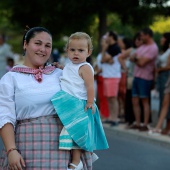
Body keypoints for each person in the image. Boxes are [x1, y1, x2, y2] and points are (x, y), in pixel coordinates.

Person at [0, 27, 94, 170]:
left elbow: (81, 94)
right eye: (37, 43)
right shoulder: (11, 78)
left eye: (47, 45)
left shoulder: (60, 73)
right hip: (26, 146)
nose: (42, 49)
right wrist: (11, 150)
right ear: (25, 44)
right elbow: (5, 116)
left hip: (62, 146)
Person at [51, 32, 109, 170]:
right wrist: (60, 67)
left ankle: (76, 161)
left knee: (76, 132)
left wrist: (90, 102)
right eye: (72, 50)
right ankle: (81, 156)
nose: (76, 53)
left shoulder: (85, 67)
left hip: (81, 104)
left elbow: (90, 86)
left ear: (88, 52)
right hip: (71, 102)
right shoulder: (70, 65)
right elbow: (70, 73)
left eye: (81, 50)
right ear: (67, 51)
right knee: (71, 130)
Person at [130, 27, 158, 131]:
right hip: (137, 76)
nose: (141, 37)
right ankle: (137, 122)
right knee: (135, 100)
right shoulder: (142, 46)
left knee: (144, 101)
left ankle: (145, 124)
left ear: (148, 35)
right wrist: (138, 59)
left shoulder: (153, 48)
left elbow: (142, 62)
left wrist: (137, 59)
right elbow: (131, 57)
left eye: (142, 35)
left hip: (145, 78)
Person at [101, 31, 122, 126]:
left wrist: (104, 50)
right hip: (107, 75)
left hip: (113, 76)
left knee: (113, 98)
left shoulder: (115, 48)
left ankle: (115, 118)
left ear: (112, 37)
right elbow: (104, 60)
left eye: (107, 36)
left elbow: (103, 59)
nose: (106, 39)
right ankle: (111, 117)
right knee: (109, 98)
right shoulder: (110, 48)